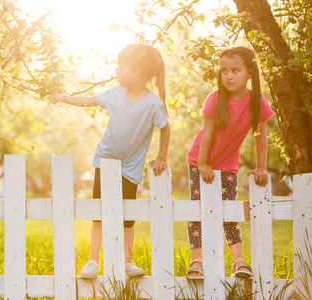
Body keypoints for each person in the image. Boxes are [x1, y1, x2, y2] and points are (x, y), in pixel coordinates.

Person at [52, 43, 170, 278]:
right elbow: (88, 101)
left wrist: (161, 157)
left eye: (121, 67)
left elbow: (165, 129)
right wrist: (63, 97)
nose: (117, 72)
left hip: (131, 167)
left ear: (136, 71)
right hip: (105, 162)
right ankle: (93, 260)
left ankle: (126, 263)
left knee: (127, 217)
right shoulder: (115, 94)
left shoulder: (154, 104)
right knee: (100, 213)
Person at [186, 46, 274, 279]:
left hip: (228, 166)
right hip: (200, 160)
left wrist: (262, 166)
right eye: (224, 71)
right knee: (198, 210)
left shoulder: (256, 102)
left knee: (229, 213)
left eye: (235, 70)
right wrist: (203, 163)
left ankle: (239, 261)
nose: (228, 76)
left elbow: (260, 136)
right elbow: (207, 133)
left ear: (249, 73)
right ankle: (196, 260)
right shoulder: (215, 99)